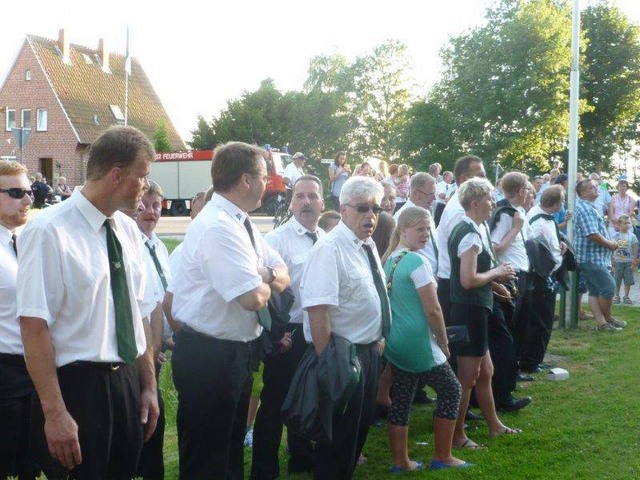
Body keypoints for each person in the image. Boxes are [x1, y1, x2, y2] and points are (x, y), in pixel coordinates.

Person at [17, 125, 159, 480]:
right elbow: (33, 328)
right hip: (78, 390)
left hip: (126, 382)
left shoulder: (127, 230)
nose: (145, 185)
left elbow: (137, 314)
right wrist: (54, 413)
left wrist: (148, 386)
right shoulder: (49, 230)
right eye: (141, 175)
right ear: (116, 175)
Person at [169, 141, 290, 479]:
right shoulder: (218, 227)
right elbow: (252, 298)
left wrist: (264, 274)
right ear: (245, 180)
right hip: (210, 358)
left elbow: (283, 273)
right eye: (264, 176)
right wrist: (266, 278)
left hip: (235, 355)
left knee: (229, 457)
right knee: (207, 462)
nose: (267, 184)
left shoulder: (240, 222)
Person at [300, 175, 388, 480]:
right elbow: (317, 310)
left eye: (376, 208)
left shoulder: (366, 244)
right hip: (342, 358)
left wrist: (377, 337)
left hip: (368, 353)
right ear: (344, 209)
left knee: (355, 437)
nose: (371, 215)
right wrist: (332, 368)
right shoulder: (330, 249)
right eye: (363, 208)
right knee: (337, 445)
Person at [382, 207, 468, 471]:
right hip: (418, 341)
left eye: (428, 229)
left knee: (402, 398)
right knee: (452, 390)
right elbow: (433, 309)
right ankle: (443, 456)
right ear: (403, 230)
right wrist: (443, 341)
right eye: (420, 229)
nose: (426, 235)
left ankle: (401, 462)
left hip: (396, 341)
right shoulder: (417, 262)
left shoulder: (390, 259)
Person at [251, 175, 324, 479]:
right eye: (300, 196)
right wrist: (275, 332)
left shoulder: (326, 239)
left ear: (322, 203)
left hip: (317, 331)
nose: (306, 202)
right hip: (288, 334)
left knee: (309, 396)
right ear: (291, 203)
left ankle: (302, 458)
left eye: (312, 196)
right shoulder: (277, 240)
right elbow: (263, 291)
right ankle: (264, 469)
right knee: (275, 403)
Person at [447, 177, 520, 449]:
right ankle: (456, 435)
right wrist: (497, 273)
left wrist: (493, 284)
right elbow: (467, 279)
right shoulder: (469, 233)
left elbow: (474, 276)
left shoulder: (475, 227)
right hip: (469, 312)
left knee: (486, 371)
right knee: (467, 377)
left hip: (476, 308)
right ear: (475, 202)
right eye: (490, 198)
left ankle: (494, 426)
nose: (493, 203)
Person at [0, 160, 38, 480]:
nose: (27, 199)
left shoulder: (23, 241)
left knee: (28, 464)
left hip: (32, 370)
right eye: (16, 193)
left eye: (29, 192)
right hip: (4, 372)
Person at [135, 181, 172, 480]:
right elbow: (144, 307)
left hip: (161, 345)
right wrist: (153, 346)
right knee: (144, 416)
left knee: (155, 416)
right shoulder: (131, 245)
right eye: (144, 206)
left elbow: (164, 296)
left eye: (156, 206)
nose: (150, 212)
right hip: (141, 349)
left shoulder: (158, 246)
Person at [522, 185, 567, 373]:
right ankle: (531, 362)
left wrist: (560, 244)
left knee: (544, 321)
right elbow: (538, 252)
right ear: (556, 204)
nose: (562, 205)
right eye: (562, 202)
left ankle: (536, 358)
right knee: (540, 322)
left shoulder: (544, 217)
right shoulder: (539, 221)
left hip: (547, 276)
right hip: (541, 278)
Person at [573, 179, 626, 331]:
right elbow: (592, 235)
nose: (596, 189)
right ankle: (608, 319)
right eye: (592, 187)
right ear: (583, 193)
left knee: (595, 291)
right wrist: (610, 244)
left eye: (596, 186)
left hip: (594, 257)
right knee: (608, 287)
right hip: (590, 258)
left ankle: (602, 323)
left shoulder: (589, 207)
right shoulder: (585, 209)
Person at [394, 172, 438, 276]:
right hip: (418, 277)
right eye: (430, 194)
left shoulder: (426, 212)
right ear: (417, 193)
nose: (434, 198)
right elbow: (400, 250)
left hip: (433, 276)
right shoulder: (401, 217)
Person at [611, 214, 638, 304]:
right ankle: (616, 296)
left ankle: (626, 296)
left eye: (629, 223)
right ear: (619, 225)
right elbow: (612, 249)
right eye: (625, 223)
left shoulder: (632, 236)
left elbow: (635, 248)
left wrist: (634, 260)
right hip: (618, 261)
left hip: (628, 262)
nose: (627, 225)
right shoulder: (615, 236)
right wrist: (612, 262)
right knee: (616, 280)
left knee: (628, 280)